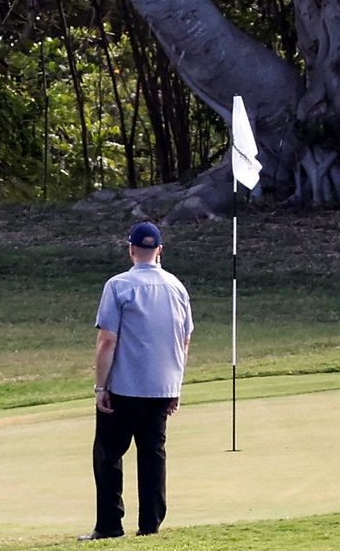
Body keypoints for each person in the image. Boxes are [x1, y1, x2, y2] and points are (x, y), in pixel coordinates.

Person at [79, 221, 193, 541]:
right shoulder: (177, 287)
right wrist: (175, 385)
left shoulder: (118, 285)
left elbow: (107, 341)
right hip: (162, 386)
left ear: (130, 250)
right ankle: (150, 526)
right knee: (152, 454)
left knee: (109, 454)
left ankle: (109, 525)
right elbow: (183, 341)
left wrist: (101, 387)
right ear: (160, 250)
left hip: (125, 387)